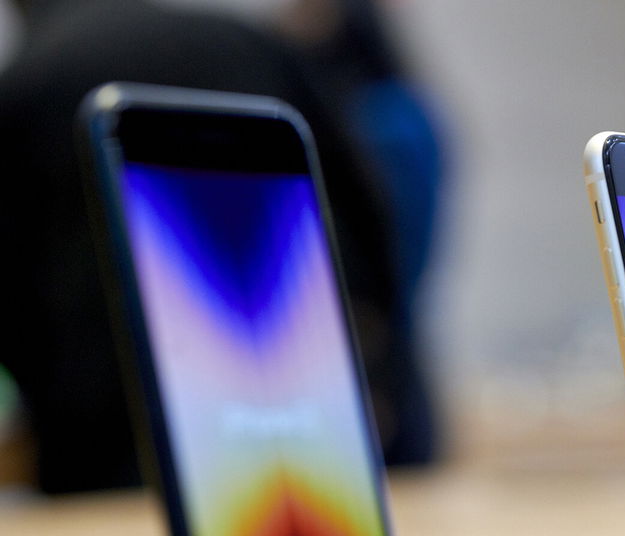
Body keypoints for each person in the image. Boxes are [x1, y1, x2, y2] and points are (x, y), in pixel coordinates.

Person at [0, 0, 437, 493]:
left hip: (108, 441)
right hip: (304, 401)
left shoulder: (23, 83)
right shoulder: (248, 41)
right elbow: (367, 209)